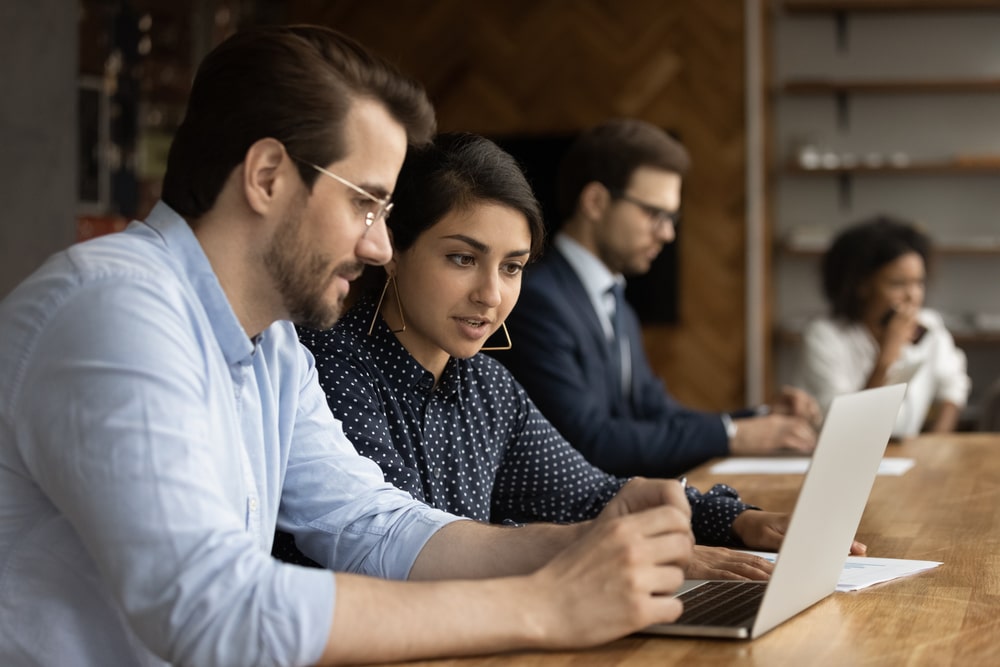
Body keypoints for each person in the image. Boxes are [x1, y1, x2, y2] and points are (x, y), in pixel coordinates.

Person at [0, 27, 697, 666]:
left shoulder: (271, 343)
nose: (379, 244)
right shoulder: (114, 308)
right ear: (268, 175)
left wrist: (585, 545)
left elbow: (373, 523)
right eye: (365, 203)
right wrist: (545, 604)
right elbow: (211, 608)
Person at [276, 133, 850, 581]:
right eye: (461, 258)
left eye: (511, 266)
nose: (491, 294)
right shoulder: (331, 365)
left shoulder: (485, 386)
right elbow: (395, 549)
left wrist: (738, 522)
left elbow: (592, 493)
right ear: (392, 252)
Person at [490, 118, 821, 479]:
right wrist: (735, 435)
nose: (666, 233)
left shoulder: (618, 304)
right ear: (596, 201)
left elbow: (657, 413)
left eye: (672, 218)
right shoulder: (536, 300)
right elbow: (588, 441)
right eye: (654, 214)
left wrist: (761, 419)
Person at [795, 215, 971, 437]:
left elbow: (953, 386)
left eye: (919, 282)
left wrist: (938, 441)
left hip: (907, 454)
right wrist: (887, 357)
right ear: (862, 285)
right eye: (898, 284)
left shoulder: (930, 325)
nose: (913, 296)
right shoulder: (824, 336)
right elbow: (849, 429)